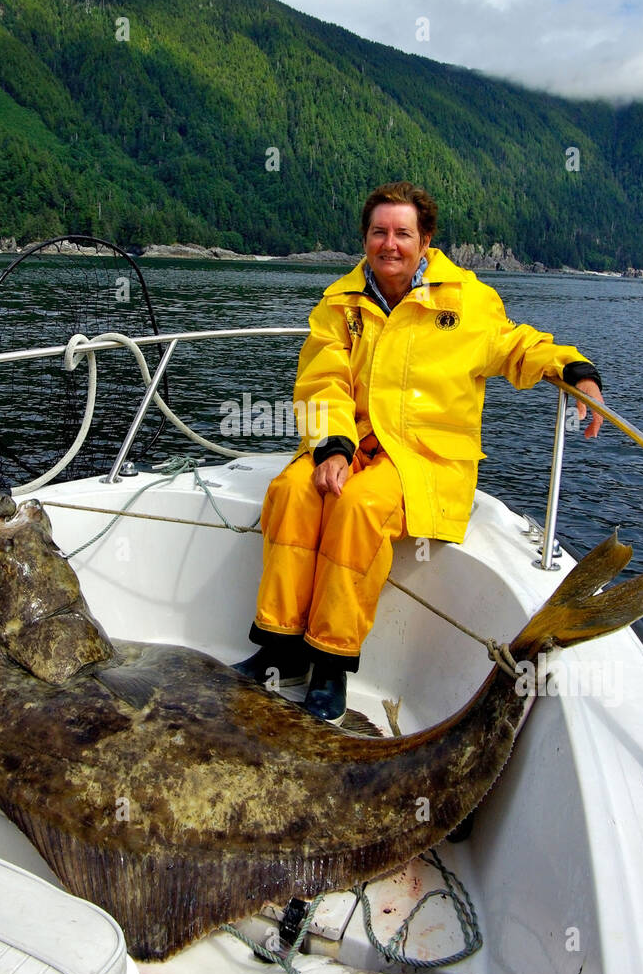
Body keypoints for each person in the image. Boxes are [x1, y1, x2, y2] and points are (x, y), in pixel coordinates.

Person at [234, 180, 605, 722]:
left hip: (424, 458)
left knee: (359, 508)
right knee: (291, 491)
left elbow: (518, 346)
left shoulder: (467, 301)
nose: (390, 244)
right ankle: (284, 646)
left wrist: (574, 370)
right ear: (365, 238)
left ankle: (332, 659)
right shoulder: (341, 302)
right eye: (379, 232)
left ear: (425, 239)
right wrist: (332, 447)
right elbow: (322, 382)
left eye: (403, 233)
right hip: (354, 441)